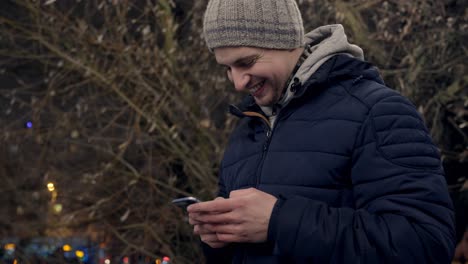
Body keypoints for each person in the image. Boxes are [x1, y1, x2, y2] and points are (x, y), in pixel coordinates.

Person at [187, 0, 456, 263]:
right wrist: (219, 238)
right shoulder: (248, 128)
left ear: (285, 40)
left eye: (246, 62)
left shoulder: (377, 112)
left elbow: (425, 244)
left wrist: (277, 221)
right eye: (227, 69)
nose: (237, 82)